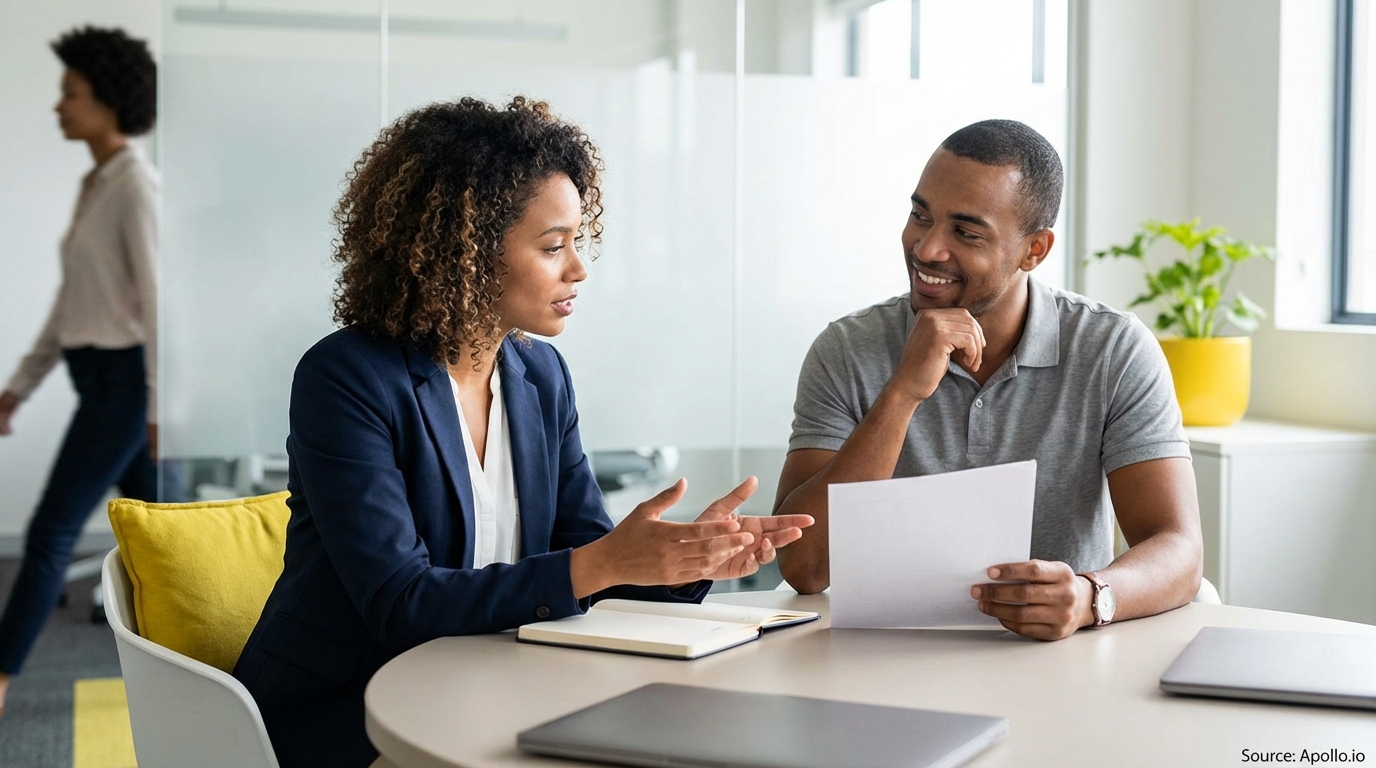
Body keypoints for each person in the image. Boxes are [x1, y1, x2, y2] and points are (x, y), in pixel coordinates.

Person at [232, 96, 814, 768]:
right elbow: (402, 601)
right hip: (348, 707)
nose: (577, 269)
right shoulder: (347, 378)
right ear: (467, 253)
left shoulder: (540, 375)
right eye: (552, 246)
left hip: (495, 683)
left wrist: (682, 560)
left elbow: (583, 555)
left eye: (577, 242)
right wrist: (608, 561)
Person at [772, 119, 1202, 641]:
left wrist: (1091, 597)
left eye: (966, 233)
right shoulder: (847, 350)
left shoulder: (1112, 349)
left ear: (1034, 251)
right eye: (919, 216)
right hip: (880, 656)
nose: (928, 249)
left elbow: (1179, 549)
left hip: (1057, 659)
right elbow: (803, 566)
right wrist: (904, 392)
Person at [0, 26, 158, 714]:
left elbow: (157, 305)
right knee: (161, 532)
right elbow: (70, 305)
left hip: (126, 385)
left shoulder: (135, 187)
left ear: (108, 101)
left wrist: (158, 410)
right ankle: (202, 665)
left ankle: (0, 678)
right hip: (94, 376)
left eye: (71, 94)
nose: (58, 106)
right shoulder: (95, 183)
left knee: (50, 533)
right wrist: (18, 387)